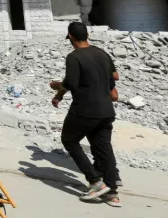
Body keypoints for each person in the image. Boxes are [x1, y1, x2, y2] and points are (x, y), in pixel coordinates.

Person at [50, 22, 121, 207]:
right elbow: (115, 76)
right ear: (87, 35)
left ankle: (96, 182)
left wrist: (56, 86)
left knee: (69, 140)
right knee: (104, 149)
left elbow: (71, 83)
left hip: (84, 109)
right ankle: (112, 194)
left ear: (71, 37)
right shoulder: (101, 53)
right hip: (106, 110)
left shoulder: (74, 57)